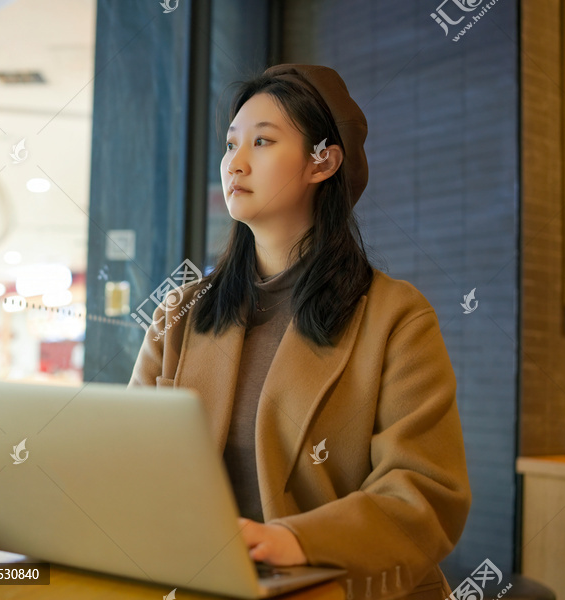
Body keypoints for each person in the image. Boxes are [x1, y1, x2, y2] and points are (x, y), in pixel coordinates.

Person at [128, 64, 471, 600]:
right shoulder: (184, 311)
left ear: (323, 161)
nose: (233, 164)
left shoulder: (396, 317)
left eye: (262, 142)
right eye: (230, 143)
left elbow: (424, 495)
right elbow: (129, 460)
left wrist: (294, 541)